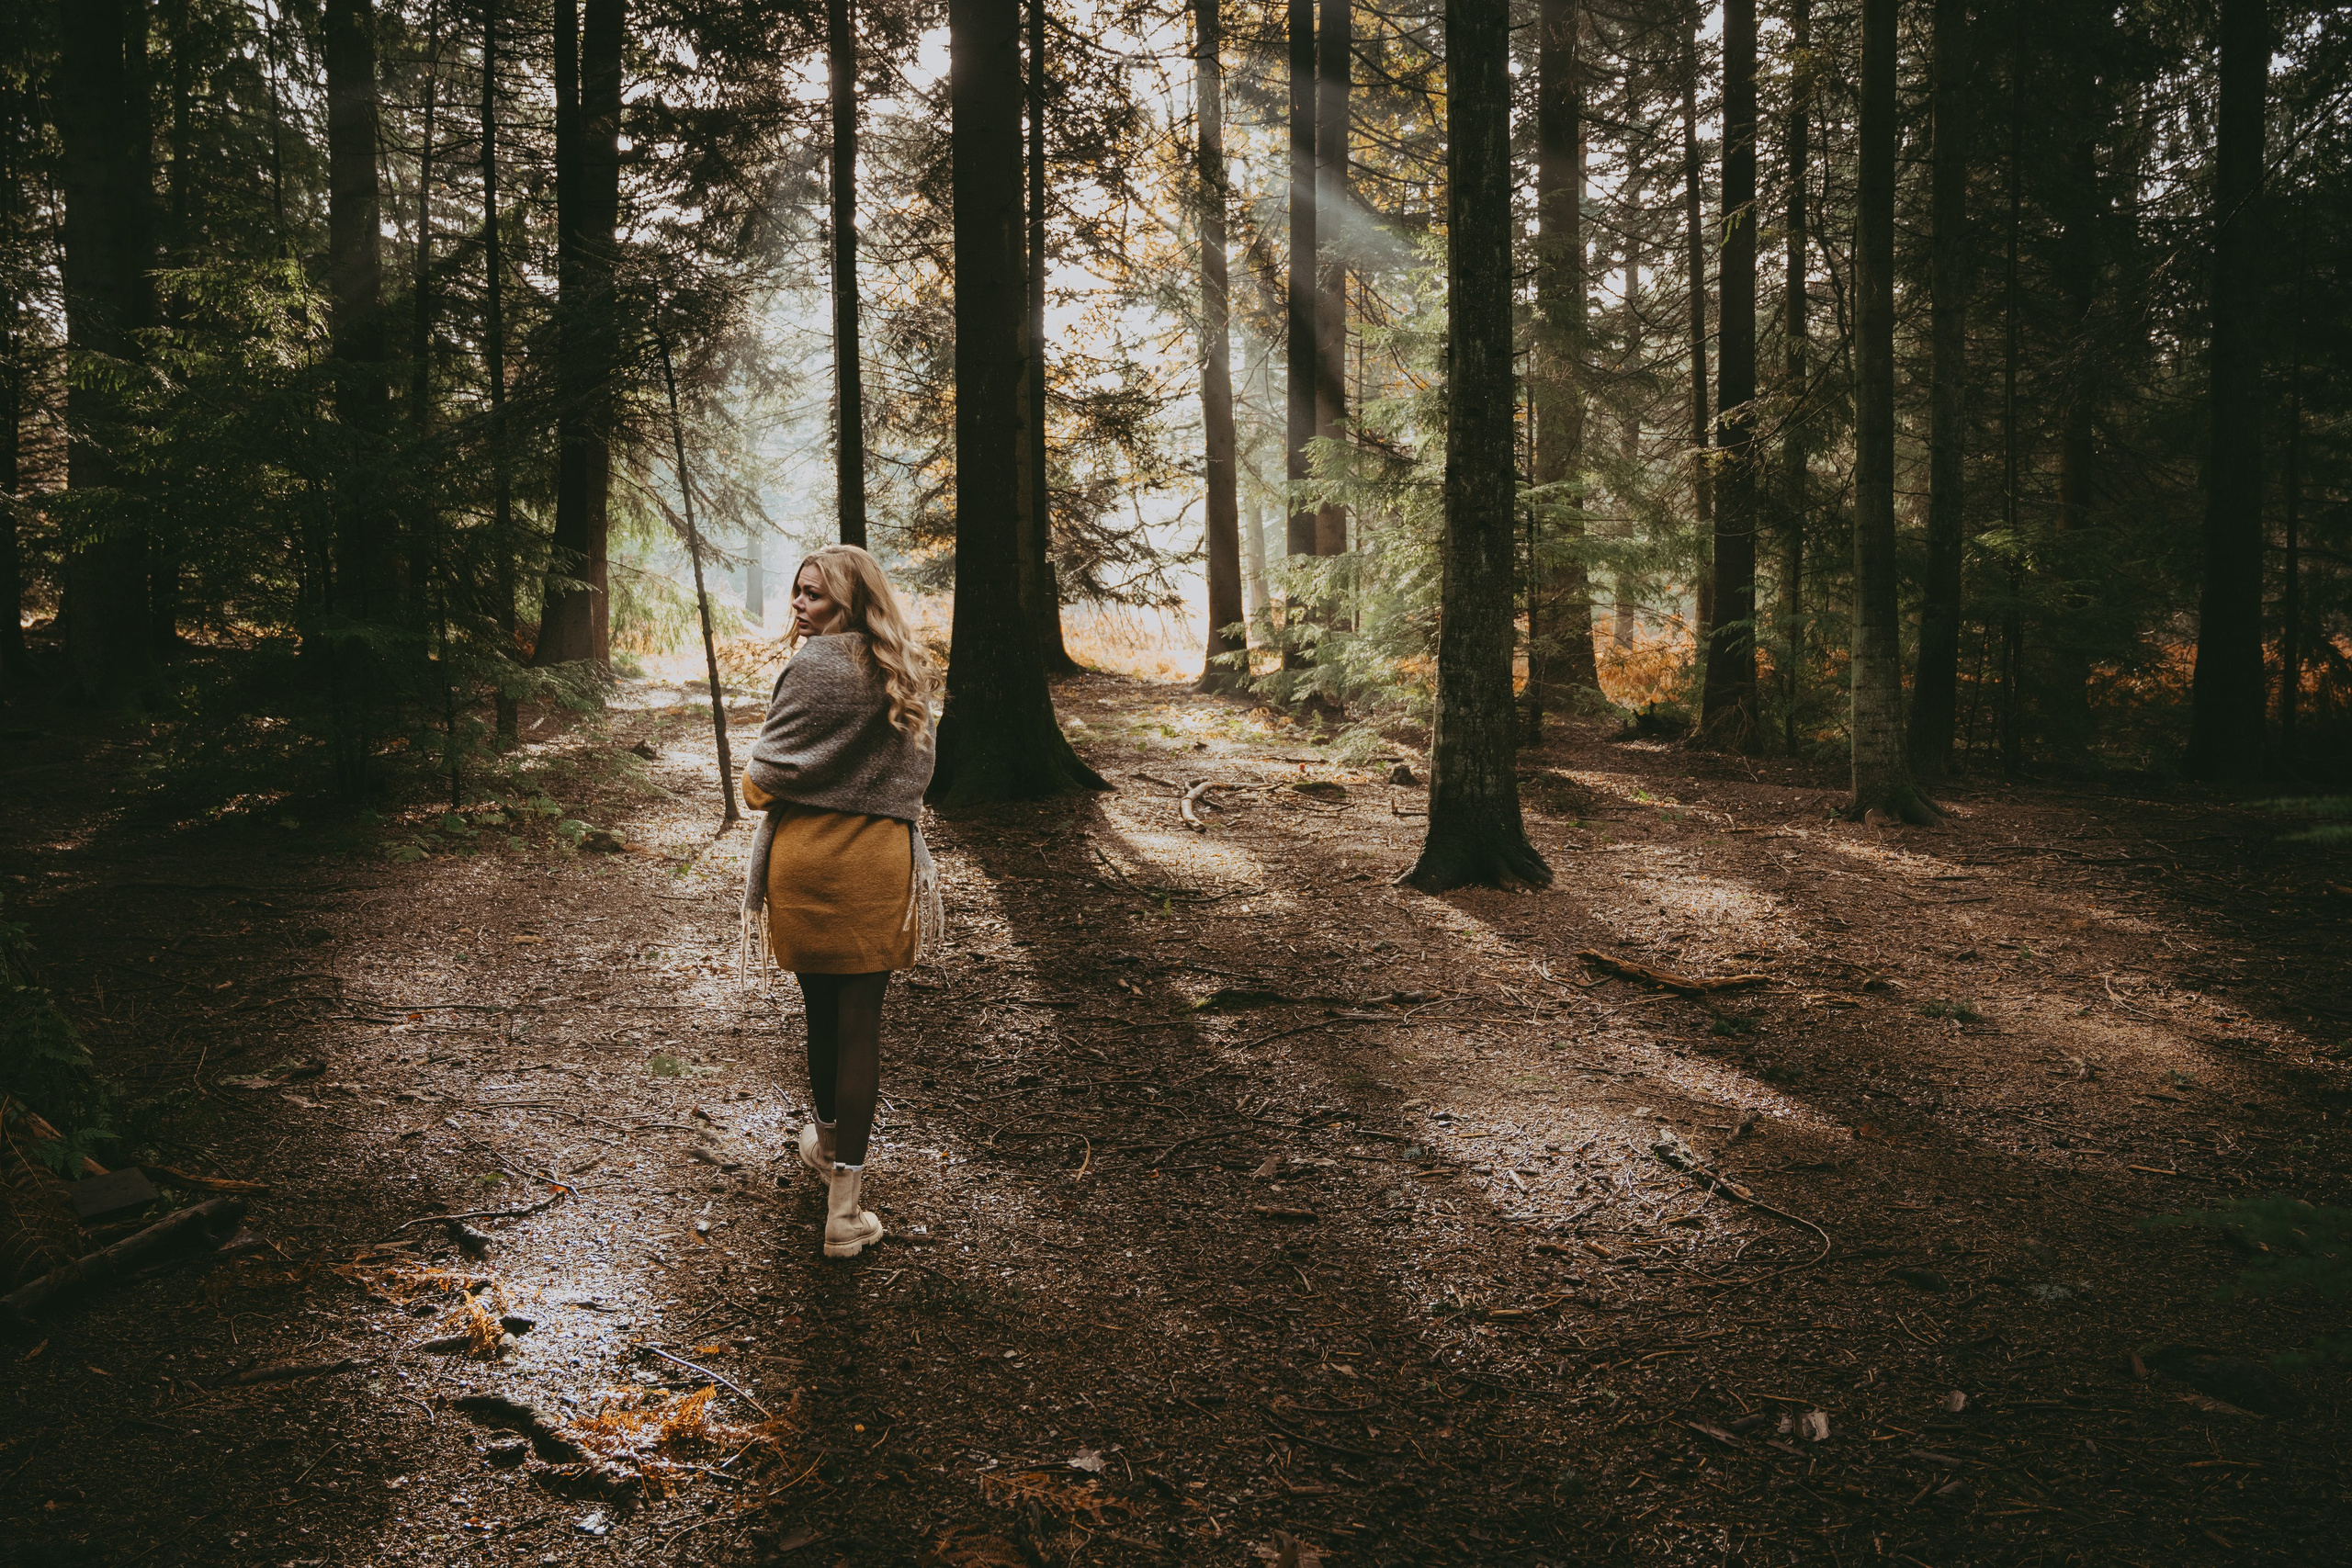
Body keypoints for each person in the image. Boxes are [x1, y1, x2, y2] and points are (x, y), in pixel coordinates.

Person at [740, 545, 941, 1258]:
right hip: (877, 865)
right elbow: (918, 778)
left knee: (820, 1014)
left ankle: (826, 1147)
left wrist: (782, 778)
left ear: (850, 602)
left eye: (815, 597)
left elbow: (762, 783)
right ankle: (844, 1209)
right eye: (797, 592)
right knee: (860, 1026)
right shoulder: (904, 670)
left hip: (805, 866)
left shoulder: (810, 666)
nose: (800, 605)